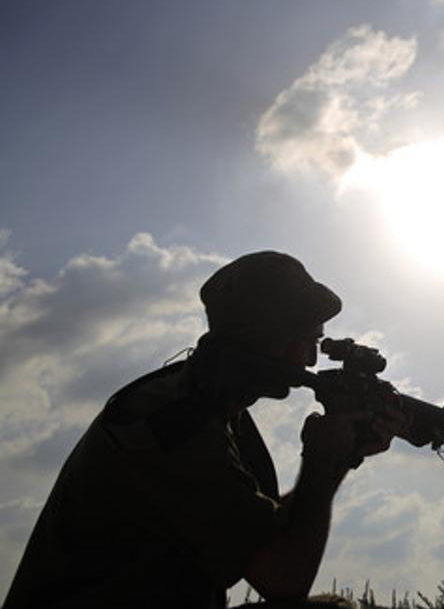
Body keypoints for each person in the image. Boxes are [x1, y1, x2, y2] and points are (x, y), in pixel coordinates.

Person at [3, 251, 410, 608]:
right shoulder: (177, 424)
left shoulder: (209, 408)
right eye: (309, 341)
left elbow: (261, 534)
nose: (309, 361)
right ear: (271, 339)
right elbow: (283, 576)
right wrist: (321, 463)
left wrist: (341, 458)